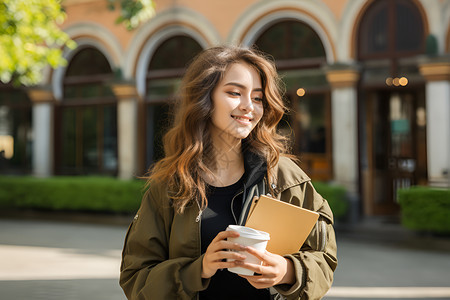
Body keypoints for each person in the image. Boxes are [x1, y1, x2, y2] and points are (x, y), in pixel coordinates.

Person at [119, 46, 337, 300]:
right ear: (204, 98)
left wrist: (288, 271)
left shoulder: (285, 177)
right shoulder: (170, 184)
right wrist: (199, 268)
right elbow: (135, 279)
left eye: (257, 98)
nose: (249, 107)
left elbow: (324, 258)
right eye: (235, 93)